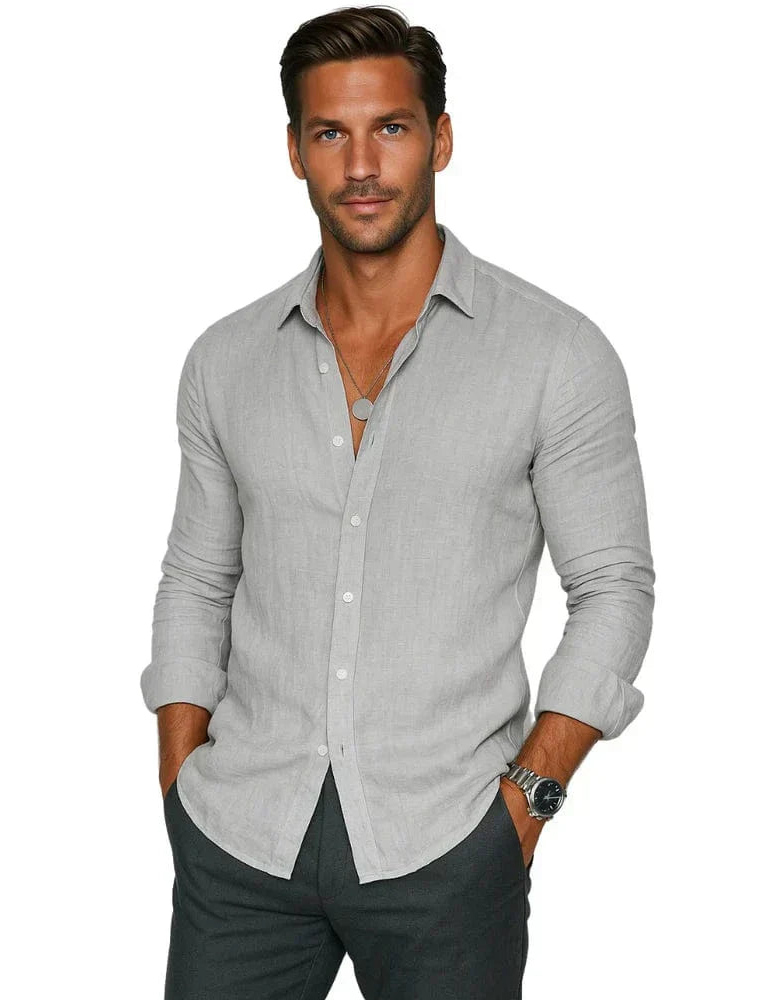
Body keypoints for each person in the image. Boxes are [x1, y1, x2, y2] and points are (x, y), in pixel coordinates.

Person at [141, 7, 655, 999]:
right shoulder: (225, 360)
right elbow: (197, 577)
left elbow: (613, 589)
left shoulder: (554, 354)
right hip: (239, 842)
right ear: (294, 151)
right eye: (330, 132)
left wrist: (526, 802)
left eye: (391, 127)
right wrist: (179, 785)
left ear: (440, 139)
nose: (362, 164)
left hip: (448, 843)